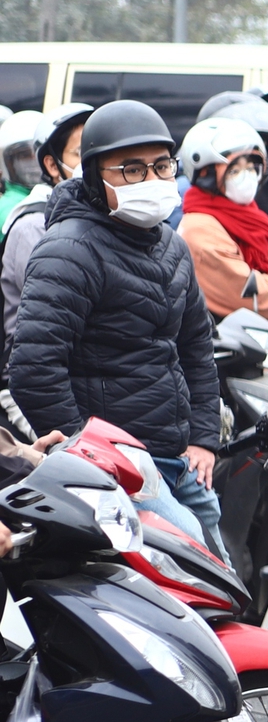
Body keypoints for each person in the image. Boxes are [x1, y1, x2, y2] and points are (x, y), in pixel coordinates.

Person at [8, 101, 224, 548]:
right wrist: (89, 458)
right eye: (131, 170)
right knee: (192, 578)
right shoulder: (68, 250)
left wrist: (203, 438)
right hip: (120, 468)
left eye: (162, 166)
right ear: (92, 176)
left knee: (222, 579)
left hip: (178, 457)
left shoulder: (171, 246)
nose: (152, 180)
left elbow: (197, 347)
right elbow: (34, 368)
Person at [176, 116, 268, 329]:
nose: (247, 177)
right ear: (207, 176)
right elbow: (246, 294)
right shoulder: (199, 227)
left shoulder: (251, 220)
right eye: (235, 170)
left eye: (252, 168)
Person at [2, 102, 90, 358]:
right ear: (52, 165)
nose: (93, 160)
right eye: (81, 152)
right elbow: (54, 317)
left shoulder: (106, 216)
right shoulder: (34, 225)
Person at [0, 111, 45, 230]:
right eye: (24, 156)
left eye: (37, 153)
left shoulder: (52, 193)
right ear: (7, 162)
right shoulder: (8, 207)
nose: (33, 163)